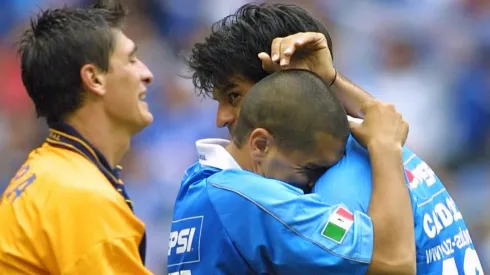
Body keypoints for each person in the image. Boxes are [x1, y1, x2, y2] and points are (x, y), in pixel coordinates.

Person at [185, 3, 483, 274]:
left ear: (286, 86)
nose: (221, 118)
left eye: (234, 96)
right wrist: (331, 79)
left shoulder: (335, 193)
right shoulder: (383, 143)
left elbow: (393, 267)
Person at [168, 69, 414, 274]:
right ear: (261, 145)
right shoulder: (251, 200)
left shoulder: (197, 183)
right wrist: (386, 146)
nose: (315, 182)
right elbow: (395, 262)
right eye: (311, 169)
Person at [0, 1, 154, 274]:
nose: (147, 74)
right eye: (131, 60)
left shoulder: (50, 173)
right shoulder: (82, 197)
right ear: (94, 79)